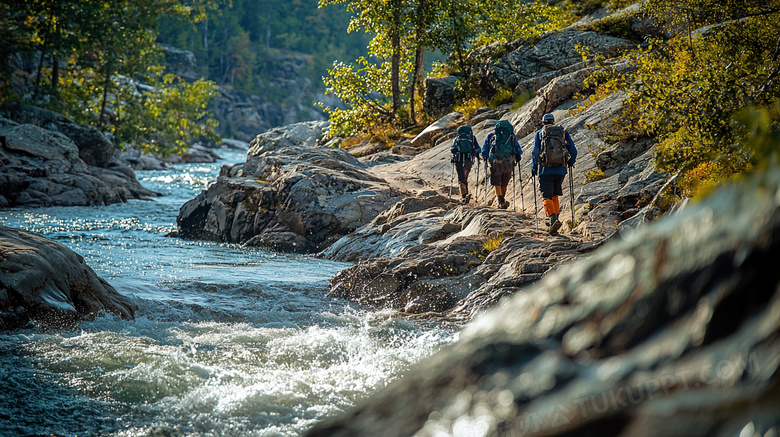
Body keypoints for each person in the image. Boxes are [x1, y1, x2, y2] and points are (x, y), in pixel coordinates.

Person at [531, 113, 577, 235]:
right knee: (555, 194)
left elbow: (535, 152)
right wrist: (570, 161)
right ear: (553, 121)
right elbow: (573, 150)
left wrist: (534, 167)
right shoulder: (563, 132)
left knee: (547, 195)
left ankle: (552, 218)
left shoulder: (540, 133)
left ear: (543, 122)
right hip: (561, 169)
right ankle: (555, 218)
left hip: (545, 170)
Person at [482, 120, 522, 209]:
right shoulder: (511, 136)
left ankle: (501, 202)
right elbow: (518, 149)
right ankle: (502, 200)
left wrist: (485, 157)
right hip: (509, 162)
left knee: (497, 183)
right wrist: (518, 156)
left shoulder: (491, 136)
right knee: (504, 183)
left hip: (496, 163)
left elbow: (484, 150)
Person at [450, 125, 480, 203]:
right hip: (469, 158)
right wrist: (476, 154)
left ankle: (464, 195)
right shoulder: (472, 138)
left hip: (459, 159)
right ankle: (465, 193)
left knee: (461, 177)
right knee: (465, 176)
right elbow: (478, 148)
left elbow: (453, 149)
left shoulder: (457, 138)